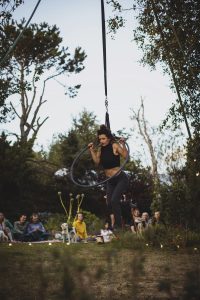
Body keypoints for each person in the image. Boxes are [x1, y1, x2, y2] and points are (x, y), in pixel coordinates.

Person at [88, 125, 129, 230]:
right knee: (109, 202)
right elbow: (97, 162)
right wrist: (92, 150)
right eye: (100, 139)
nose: (101, 141)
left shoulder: (114, 145)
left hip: (120, 178)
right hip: (110, 180)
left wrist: (123, 144)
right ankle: (114, 223)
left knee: (114, 200)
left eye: (103, 138)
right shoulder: (101, 149)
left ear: (109, 138)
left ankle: (119, 226)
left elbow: (126, 157)